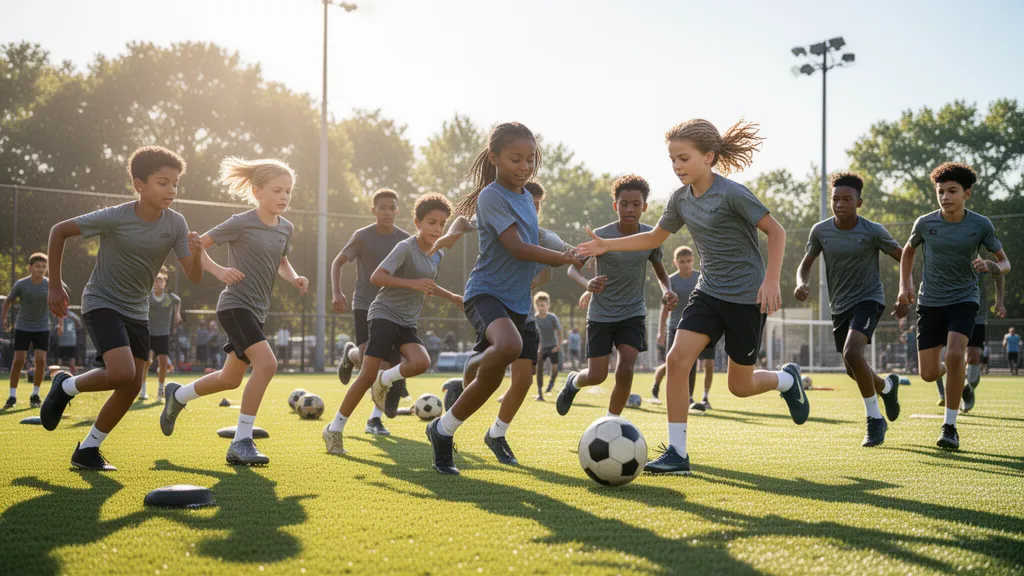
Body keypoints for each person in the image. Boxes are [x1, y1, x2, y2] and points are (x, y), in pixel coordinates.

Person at [577, 119, 803, 476]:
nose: (677, 166)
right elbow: (653, 238)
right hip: (709, 292)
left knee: (740, 386)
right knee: (678, 359)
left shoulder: (732, 193)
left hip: (746, 297)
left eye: (684, 158)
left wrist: (773, 280)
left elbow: (776, 230)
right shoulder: (680, 200)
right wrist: (607, 244)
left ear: (709, 157)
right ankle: (677, 454)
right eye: (672, 160)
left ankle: (787, 380)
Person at [425, 122, 580, 475]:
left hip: (518, 304)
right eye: (516, 159)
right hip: (485, 293)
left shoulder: (526, 197)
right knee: (508, 347)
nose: (525, 166)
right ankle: (476, 363)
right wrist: (562, 257)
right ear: (495, 158)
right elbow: (517, 247)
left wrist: (573, 251)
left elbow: (537, 234)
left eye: (531, 159)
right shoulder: (492, 196)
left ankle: (443, 429)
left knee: (496, 379)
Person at [41, 146, 203, 471]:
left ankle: (87, 449)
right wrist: (55, 285)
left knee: (130, 387)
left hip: (137, 310)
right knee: (121, 373)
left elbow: (194, 276)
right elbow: (59, 231)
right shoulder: (116, 216)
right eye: (162, 182)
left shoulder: (176, 223)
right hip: (102, 301)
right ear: (139, 184)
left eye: (175, 183)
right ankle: (66, 386)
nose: (171, 190)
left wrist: (197, 253)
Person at [160, 157, 307, 465]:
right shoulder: (241, 222)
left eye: (288, 191)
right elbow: (195, 248)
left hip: (257, 311)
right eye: (277, 190)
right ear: (257, 192)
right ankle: (241, 442)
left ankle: (178, 395)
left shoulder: (286, 228)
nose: (284, 197)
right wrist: (218, 270)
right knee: (267, 364)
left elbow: (281, 261)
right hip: (234, 305)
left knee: (230, 379)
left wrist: (294, 277)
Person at [323, 193, 461, 453]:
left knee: (421, 362)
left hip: (407, 321)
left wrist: (453, 297)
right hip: (384, 314)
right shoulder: (405, 247)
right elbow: (377, 276)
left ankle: (383, 380)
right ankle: (334, 429)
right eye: (432, 222)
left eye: (442, 224)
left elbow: (427, 286)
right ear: (418, 223)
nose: (437, 228)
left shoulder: (437, 254)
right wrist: (411, 284)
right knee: (365, 375)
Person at [895, 162, 1010, 450]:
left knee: (958, 354)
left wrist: (992, 266)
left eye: (952, 191)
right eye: (941, 192)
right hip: (929, 301)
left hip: (964, 298)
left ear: (966, 194)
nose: (945, 197)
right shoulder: (925, 223)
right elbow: (908, 252)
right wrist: (904, 286)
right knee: (928, 373)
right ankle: (961, 383)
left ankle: (950, 426)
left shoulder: (981, 224)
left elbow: (1005, 263)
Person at [794, 171, 904, 447]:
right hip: (839, 306)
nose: (840, 204)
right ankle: (888, 387)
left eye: (847, 199)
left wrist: (906, 290)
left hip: (869, 298)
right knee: (852, 368)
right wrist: (801, 283)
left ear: (859, 202)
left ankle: (874, 420)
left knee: (853, 353)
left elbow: (904, 257)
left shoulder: (873, 230)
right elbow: (805, 264)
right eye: (835, 199)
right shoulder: (820, 231)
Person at [558, 174, 675, 417]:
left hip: (633, 312)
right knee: (597, 375)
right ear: (615, 205)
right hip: (601, 314)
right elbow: (572, 268)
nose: (630, 209)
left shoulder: (650, 237)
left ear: (644, 206)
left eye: (635, 204)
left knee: (625, 368)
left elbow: (661, 273)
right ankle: (573, 383)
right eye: (624, 204)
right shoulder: (601, 235)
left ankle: (612, 421)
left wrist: (667, 291)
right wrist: (587, 283)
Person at [332, 188, 410, 418]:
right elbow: (338, 262)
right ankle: (351, 355)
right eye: (383, 207)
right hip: (365, 304)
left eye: (392, 207)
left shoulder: (405, 240)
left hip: (392, 307)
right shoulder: (362, 236)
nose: (388, 212)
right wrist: (337, 293)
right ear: (373, 210)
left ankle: (375, 419)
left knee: (387, 364)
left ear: (398, 210)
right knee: (371, 361)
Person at [651, 246, 716, 411]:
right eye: (681, 262)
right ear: (675, 263)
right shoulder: (670, 281)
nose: (685, 265)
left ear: (693, 260)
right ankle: (662, 390)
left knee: (693, 363)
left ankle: (690, 398)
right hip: (675, 327)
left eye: (688, 261)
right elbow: (665, 308)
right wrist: (661, 331)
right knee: (672, 363)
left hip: (698, 327)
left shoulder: (701, 278)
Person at [3, 253, 66, 409]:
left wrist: (60, 323)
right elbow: (8, 301)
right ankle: (12, 396)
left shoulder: (50, 284)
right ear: (30, 268)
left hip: (42, 327)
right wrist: (3, 319)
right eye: (37, 266)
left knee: (40, 361)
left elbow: (62, 302)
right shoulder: (21, 284)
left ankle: (35, 395)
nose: (41, 269)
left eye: (44, 267)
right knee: (18, 360)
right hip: (22, 327)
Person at [963, 268, 1004, 411]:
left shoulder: (979, 257)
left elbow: (999, 271)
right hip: (949, 311)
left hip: (976, 315)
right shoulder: (945, 251)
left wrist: (999, 301)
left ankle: (969, 388)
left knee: (973, 357)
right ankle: (955, 391)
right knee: (950, 357)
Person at [143, 266, 181, 401]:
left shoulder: (170, 298)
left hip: (163, 334)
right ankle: (143, 390)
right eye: (156, 281)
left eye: (160, 281)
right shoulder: (148, 297)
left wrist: (177, 314)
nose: (158, 283)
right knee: (147, 361)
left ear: (164, 282)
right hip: (148, 333)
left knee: (163, 362)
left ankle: (160, 391)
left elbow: (178, 301)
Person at [532, 292, 562, 400]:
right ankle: (540, 394)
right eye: (540, 305)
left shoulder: (552, 317)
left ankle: (551, 383)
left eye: (544, 305)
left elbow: (559, 331)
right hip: (541, 347)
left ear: (548, 305)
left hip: (553, 346)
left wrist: (558, 345)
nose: (542, 307)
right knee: (539, 369)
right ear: (536, 306)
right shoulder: (534, 318)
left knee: (554, 369)